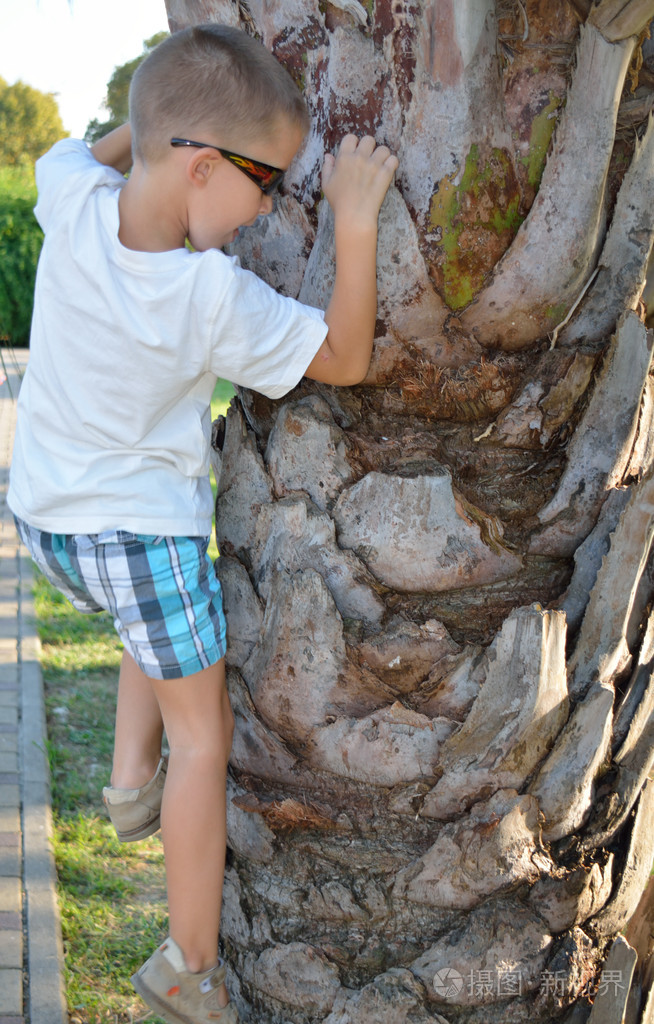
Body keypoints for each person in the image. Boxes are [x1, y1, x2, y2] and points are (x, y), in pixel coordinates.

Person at [8, 23, 398, 1024]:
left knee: (153, 630)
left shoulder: (69, 198)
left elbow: (111, 143)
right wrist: (353, 220)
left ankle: (127, 782)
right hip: (142, 539)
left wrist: (155, 130)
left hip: (49, 523)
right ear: (200, 167)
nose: (271, 201)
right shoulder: (207, 295)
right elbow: (347, 357)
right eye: (264, 177)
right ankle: (187, 962)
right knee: (206, 735)